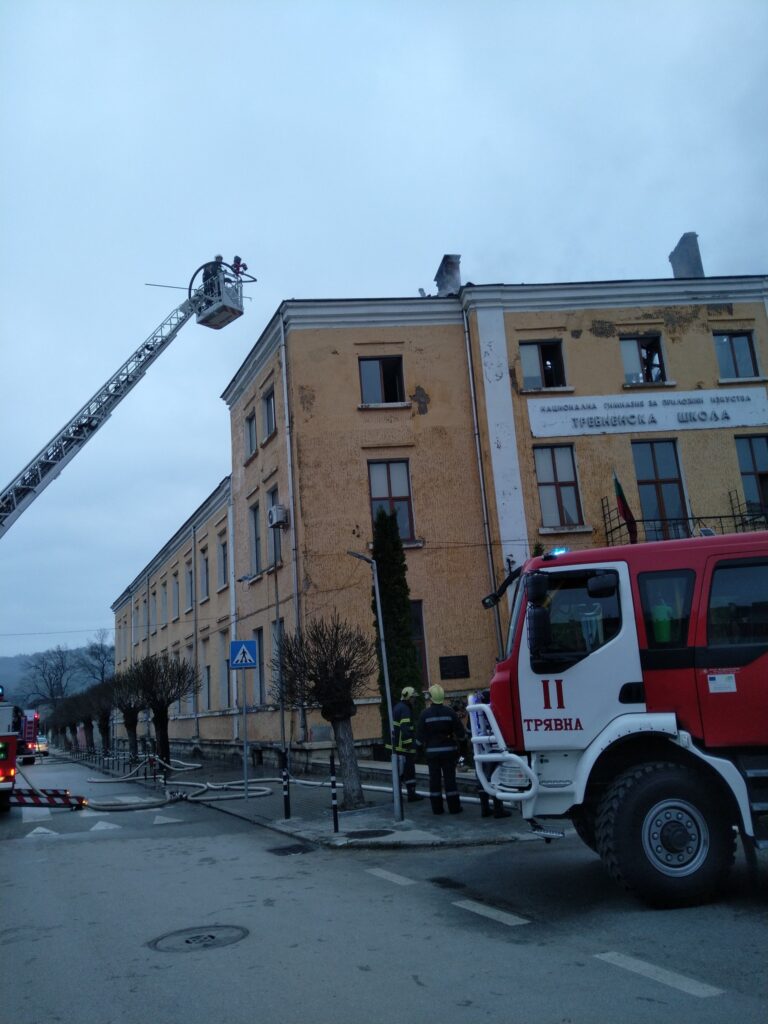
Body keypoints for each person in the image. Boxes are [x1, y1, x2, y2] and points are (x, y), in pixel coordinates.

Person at [416, 684, 466, 815]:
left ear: (431, 697)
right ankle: (454, 808)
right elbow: (461, 734)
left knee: (434, 780)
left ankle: (437, 809)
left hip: (432, 753)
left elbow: (419, 738)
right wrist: (463, 748)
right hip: (449, 752)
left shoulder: (424, 714)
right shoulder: (450, 712)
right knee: (450, 780)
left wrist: (418, 750)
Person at [468, 689, 511, 819]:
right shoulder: (492, 711)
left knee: (482, 778)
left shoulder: (475, 712)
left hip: (479, 750)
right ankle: (498, 809)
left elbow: (469, 729)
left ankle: (485, 808)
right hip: (494, 750)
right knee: (495, 779)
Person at [389, 686, 423, 803]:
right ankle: (411, 794)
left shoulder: (398, 707)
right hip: (404, 747)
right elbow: (405, 729)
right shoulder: (405, 709)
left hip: (398, 746)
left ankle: (397, 795)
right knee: (409, 771)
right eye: (413, 697)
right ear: (408, 697)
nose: (414, 699)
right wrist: (411, 745)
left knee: (400, 772)